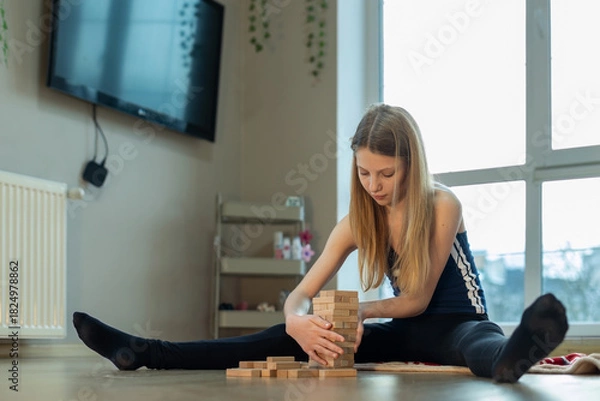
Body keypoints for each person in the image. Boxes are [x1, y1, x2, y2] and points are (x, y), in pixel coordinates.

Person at [73, 103, 569, 383]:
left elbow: (418, 300)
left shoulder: (443, 205)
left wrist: (356, 314)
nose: (375, 184)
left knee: (480, 345)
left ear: (412, 166)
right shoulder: (358, 218)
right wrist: (301, 321)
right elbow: (300, 292)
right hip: (402, 332)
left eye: (388, 173)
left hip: (456, 325)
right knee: (278, 335)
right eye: (365, 172)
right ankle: (146, 352)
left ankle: (519, 349)